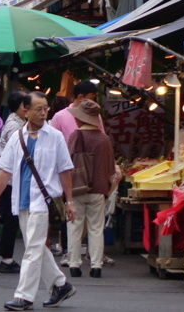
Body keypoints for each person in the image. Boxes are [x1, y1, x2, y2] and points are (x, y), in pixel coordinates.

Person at [0, 92, 76, 312]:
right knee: (35, 248)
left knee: (33, 249)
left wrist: (70, 201)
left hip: (44, 201)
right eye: (38, 109)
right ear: (26, 110)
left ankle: (24, 297)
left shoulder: (54, 136)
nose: (44, 113)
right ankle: (60, 285)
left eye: (45, 108)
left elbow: (65, 170)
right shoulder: (17, 137)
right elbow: (4, 171)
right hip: (22, 200)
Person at [64, 99, 118, 279]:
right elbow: (111, 170)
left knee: (74, 226)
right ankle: (96, 266)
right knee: (96, 229)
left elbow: (67, 163)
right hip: (99, 189)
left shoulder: (75, 136)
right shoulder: (104, 139)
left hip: (77, 188)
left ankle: (74, 264)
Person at [0, 90, 28, 274]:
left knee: (12, 219)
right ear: (21, 107)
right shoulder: (16, 127)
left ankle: (6, 257)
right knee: (12, 219)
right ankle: (6, 259)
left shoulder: (14, 122)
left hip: (11, 179)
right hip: (12, 180)